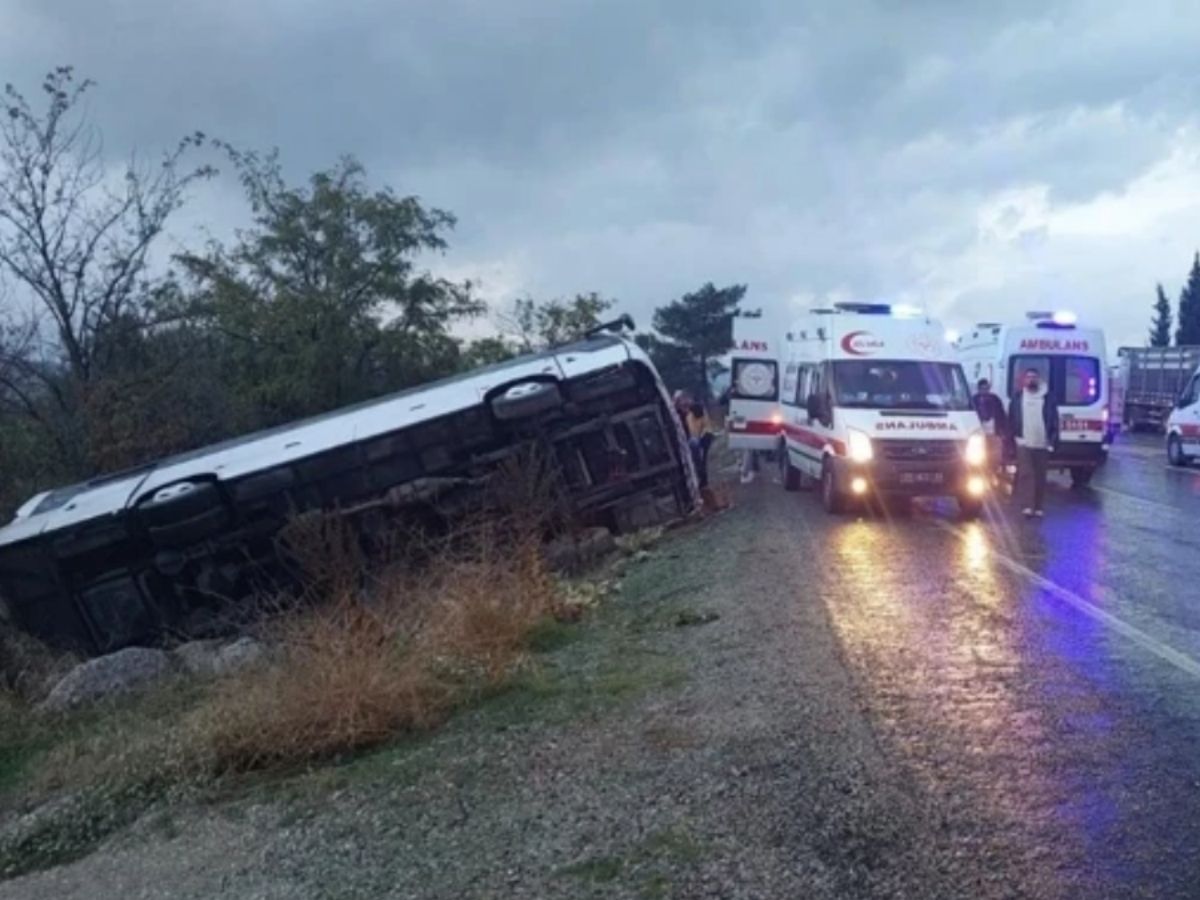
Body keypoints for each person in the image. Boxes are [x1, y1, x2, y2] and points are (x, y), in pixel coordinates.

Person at [1008, 368, 1059, 518]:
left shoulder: (1048, 398)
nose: (1031, 380)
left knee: (1040, 475)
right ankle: (1027, 506)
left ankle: (1038, 506)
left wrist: (1052, 440)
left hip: (1042, 442)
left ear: (1039, 379)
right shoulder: (1018, 398)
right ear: (1024, 380)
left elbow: (1054, 420)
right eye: (1028, 377)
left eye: (1034, 377)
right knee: (1026, 474)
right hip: (1023, 441)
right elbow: (1012, 418)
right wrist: (1012, 439)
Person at [972, 378, 1009, 471]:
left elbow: (1002, 415)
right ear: (978, 388)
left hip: (994, 431)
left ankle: (994, 473)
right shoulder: (974, 400)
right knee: (980, 455)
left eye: (986, 388)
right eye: (982, 388)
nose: (985, 390)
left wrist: (1003, 431)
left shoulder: (995, 399)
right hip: (979, 432)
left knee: (994, 457)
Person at [686, 400, 714, 490]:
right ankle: (702, 479)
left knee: (703, 459)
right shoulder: (689, 418)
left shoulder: (702, 413)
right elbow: (693, 432)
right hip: (696, 439)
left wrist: (703, 434)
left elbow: (707, 426)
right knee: (699, 459)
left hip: (705, 435)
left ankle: (703, 480)